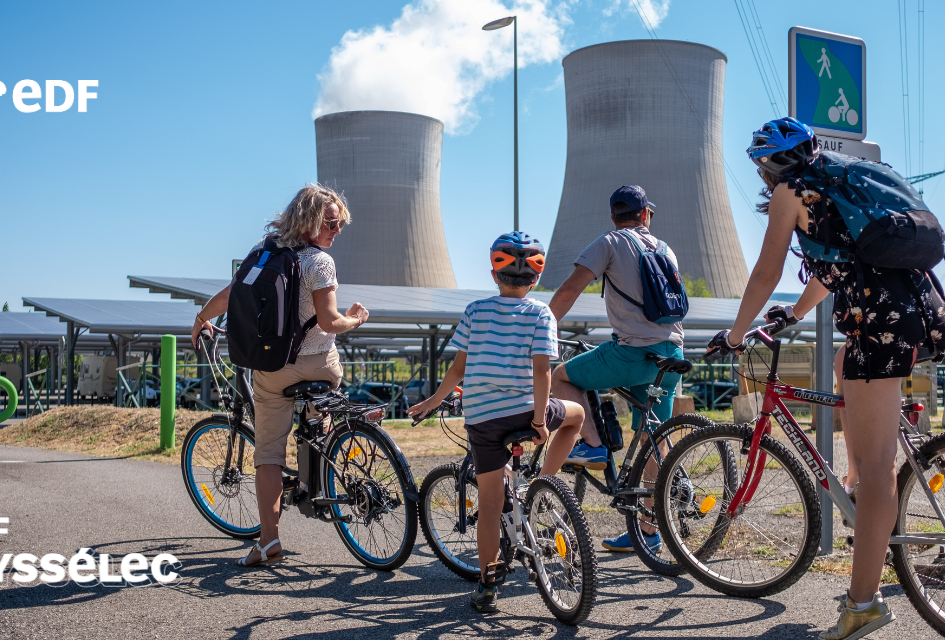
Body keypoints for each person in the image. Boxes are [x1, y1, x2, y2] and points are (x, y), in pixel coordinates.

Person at [708, 118, 945, 640]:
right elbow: (833, 269)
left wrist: (734, 335)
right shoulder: (835, 183)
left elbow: (764, 271)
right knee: (843, 365)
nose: (760, 176)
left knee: (877, 468)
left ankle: (862, 603)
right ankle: (862, 470)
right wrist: (793, 316)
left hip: (879, 326)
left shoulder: (789, 192)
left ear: (769, 164)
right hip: (908, 313)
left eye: (760, 167)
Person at [190, 183, 370, 568]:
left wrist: (202, 318)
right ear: (309, 219)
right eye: (332, 224)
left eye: (340, 226)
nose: (336, 232)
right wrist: (355, 318)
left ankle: (268, 542)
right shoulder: (319, 263)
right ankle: (314, 473)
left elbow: (230, 294)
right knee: (320, 406)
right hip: (321, 365)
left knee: (268, 453)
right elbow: (330, 321)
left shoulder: (264, 252)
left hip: (273, 369)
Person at [408, 231, 585, 614]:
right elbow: (543, 371)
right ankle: (543, 482)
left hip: (483, 418)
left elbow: (459, 367)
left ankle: (488, 587)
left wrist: (432, 401)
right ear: (535, 279)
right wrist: (540, 421)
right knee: (577, 415)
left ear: (494, 274)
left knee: (489, 505)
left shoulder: (475, 311)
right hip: (525, 409)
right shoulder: (541, 313)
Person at [547, 184, 685, 554]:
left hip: (631, 354)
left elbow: (569, 290)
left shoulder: (609, 241)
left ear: (615, 216)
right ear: (645, 214)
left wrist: (538, 330)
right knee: (651, 437)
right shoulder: (665, 249)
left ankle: (592, 446)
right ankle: (649, 531)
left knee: (562, 375)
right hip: (670, 354)